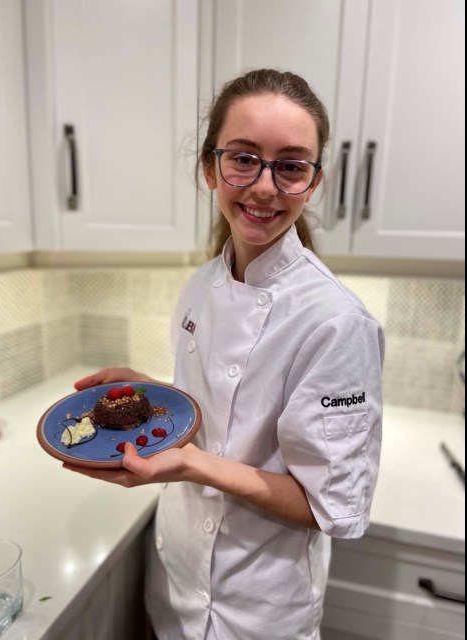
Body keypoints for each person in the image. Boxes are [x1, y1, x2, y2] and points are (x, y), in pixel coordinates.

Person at [68, 69, 385, 640]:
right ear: (210, 167)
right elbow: (217, 408)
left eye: (290, 165)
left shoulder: (338, 323)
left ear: (313, 182)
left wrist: (190, 463)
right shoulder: (202, 284)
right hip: (175, 577)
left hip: (258, 608)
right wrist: (148, 391)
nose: (264, 187)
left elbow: (327, 508)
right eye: (243, 158)